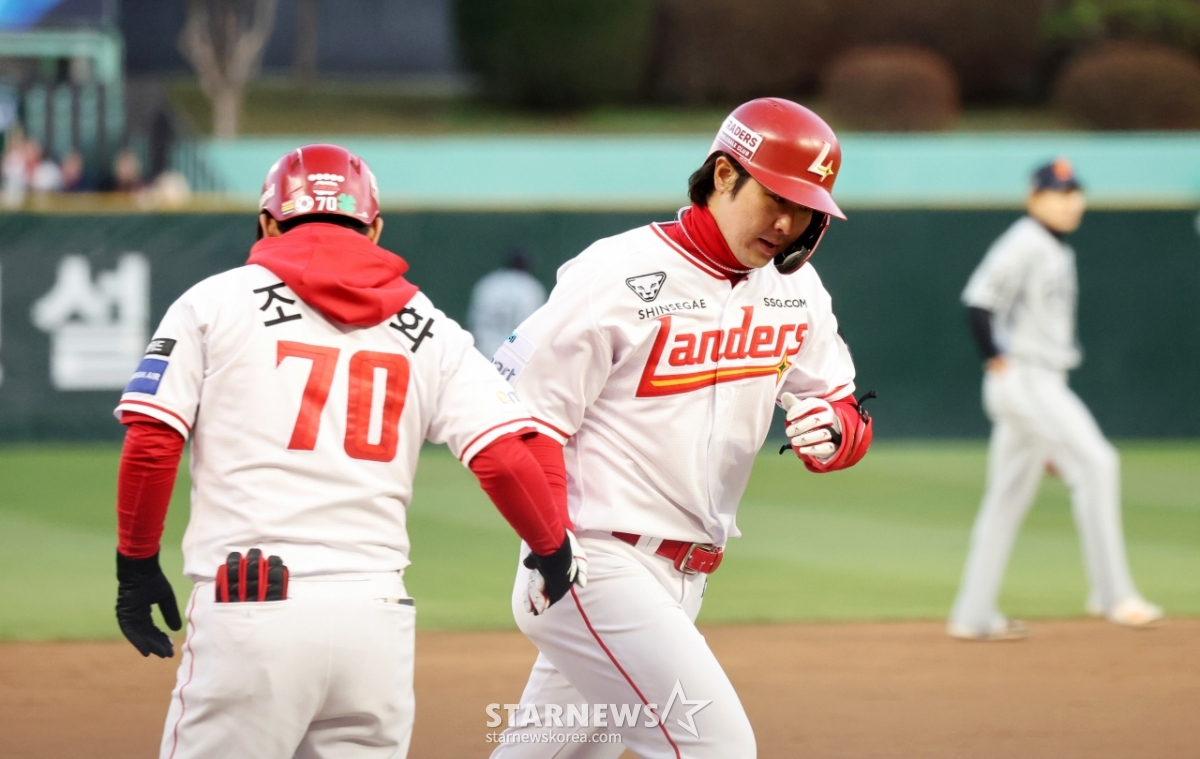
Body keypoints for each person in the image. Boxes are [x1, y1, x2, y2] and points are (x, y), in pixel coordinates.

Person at [112, 143, 584, 758]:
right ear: (374, 228)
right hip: (377, 616)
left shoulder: (214, 302)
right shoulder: (428, 325)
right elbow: (504, 456)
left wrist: (136, 568)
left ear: (268, 222)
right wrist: (552, 550)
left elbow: (152, 441)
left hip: (253, 601)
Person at [487, 99, 873, 758]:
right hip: (597, 565)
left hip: (685, 575)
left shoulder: (797, 289)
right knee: (717, 747)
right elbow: (525, 422)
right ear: (724, 175)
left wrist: (836, 432)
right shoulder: (615, 272)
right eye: (776, 197)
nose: (788, 222)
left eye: (807, 208)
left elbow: (839, 399)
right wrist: (552, 548)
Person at [948, 159, 1163, 641]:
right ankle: (1112, 594)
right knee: (1098, 464)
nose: (1070, 202)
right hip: (1028, 379)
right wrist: (997, 362)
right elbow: (978, 301)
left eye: (1073, 192)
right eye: (1058, 193)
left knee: (1006, 500)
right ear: (1034, 197)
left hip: (1036, 382)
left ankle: (973, 614)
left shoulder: (1051, 246)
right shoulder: (1024, 240)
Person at [467, 248, 547, 356]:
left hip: (486, 346)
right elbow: (533, 327)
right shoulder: (531, 288)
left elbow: (476, 320)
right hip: (516, 349)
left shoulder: (490, 283)